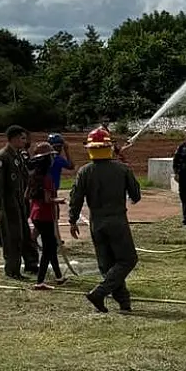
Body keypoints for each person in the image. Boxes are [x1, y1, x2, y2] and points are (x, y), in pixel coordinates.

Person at [69, 128, 142, 313]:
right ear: (109, 147)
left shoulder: (84, 171)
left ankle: (124, 304)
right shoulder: (121, 169)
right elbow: (136, 195)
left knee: (107, 265)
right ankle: (100, 292)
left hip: (96, 223)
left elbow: (75, 198)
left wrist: (72, 220)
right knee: (127, 259)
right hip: (117, 220)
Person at [0, 125, 39, 280]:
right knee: (13, 237)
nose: (25, 141)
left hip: (19, 201)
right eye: (22, 138)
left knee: (25, 234)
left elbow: (25, 177)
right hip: (8, 203)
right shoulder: (3, 156)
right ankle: (12, 270)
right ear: (14, 138)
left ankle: (31, 264)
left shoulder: (17, 155)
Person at [27, 142, 64, 290]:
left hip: (36, 214)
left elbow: (27, 195)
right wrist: (59, 200)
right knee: (49, 249)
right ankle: (40, 281)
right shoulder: (47, 178)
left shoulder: (33, 176)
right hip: (45, 215)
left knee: (51, 245)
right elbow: (48, 199)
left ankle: (59, 276)